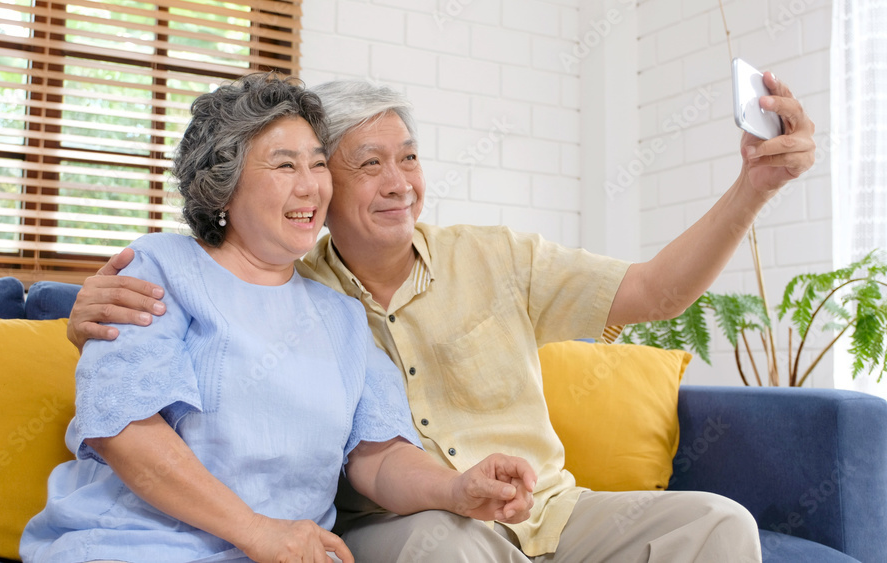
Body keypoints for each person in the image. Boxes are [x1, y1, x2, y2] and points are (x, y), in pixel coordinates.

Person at [67, 74, 816, 562]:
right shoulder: (178, 271)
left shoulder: (349, 305)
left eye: (410, 158)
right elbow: (127, 416)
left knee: (720, 525)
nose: (396, 184)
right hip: (379, 536)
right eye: (362, 164)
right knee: (443, 541)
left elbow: (655, 293)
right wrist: (84, 320)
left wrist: (756, 186)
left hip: (535, 515)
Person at [20, 73, 539, 563]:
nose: (311, 187)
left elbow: (379, 459)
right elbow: (125, 429)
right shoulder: (160, 268)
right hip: (139, 544)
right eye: (286, 165)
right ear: (223, 185)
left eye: (318, 165)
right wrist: (258, 531)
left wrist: (456, 488)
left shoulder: (341, 316)